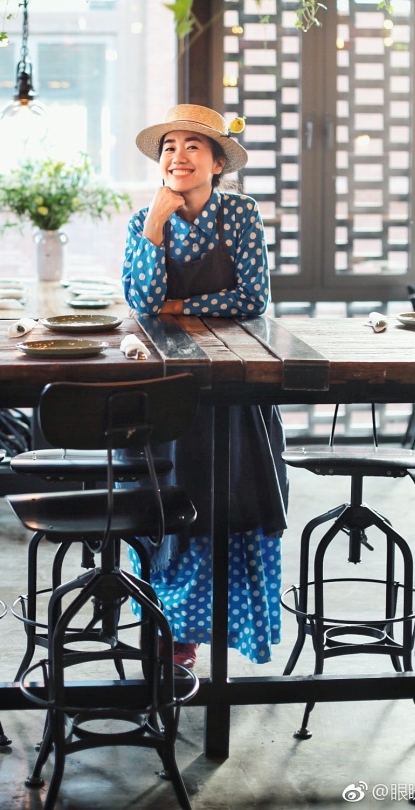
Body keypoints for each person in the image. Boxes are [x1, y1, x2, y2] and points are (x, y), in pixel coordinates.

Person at [122, 103, 287, 670]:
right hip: (165, 386)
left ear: (218, 164)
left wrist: (182, 305)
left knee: (229, 504)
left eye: (194, 147)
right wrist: (154, 225)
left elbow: (252, 298)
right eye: (170, 146)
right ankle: (171, 637)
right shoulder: (144, 219)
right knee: (168, 509)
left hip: (233, 385)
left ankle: (220, 632)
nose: (178, 156)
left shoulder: (238, 212)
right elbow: (141, 304)